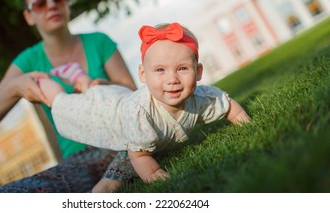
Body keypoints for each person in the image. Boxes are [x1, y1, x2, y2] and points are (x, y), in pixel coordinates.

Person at [38, 22, 251, 187]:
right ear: (143, 74)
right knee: (62, 104)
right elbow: (139, 154)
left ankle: (82, 80)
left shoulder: (203, 99)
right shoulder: (140, 112)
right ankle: (43, 82)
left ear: (199, 71)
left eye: (182, 68)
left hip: (121, 97)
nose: (172, 79)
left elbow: (229, 106)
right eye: (160, 70)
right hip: (107, 113)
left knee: (94, 90)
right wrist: (154, 174)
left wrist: (246, 125)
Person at [0, 0, 137, 193]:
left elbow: (134, 97)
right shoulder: (28, 60)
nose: (52, 5)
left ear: (67, 4)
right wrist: (16, 87)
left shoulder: (99, 42)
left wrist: (101, 86)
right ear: (29, 16)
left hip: (121, 140)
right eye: (40, 3)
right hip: (78, 160)